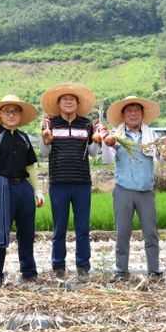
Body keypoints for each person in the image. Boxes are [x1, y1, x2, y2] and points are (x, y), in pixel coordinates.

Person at [0, 95, 45, 287]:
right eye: (7, 111)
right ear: (0, 114)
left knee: (27, 232)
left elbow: (30, 167)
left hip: (23, 188)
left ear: (20, 115)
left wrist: (38, 190)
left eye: (15, 111)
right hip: (1, 187)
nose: (11, 115)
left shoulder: (24, 137)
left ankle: (29, 272)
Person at [40, 83, 99, 281]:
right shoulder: (51, 124)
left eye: (72, 99)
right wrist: (45, 136)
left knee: (83, 227)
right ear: (58, 103)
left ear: (77, 103)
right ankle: (58, 266)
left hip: (82, 182)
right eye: (64, 99)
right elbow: (44, 153)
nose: (68, 101)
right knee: (59, 228)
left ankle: (83, 266)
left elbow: (93, 153)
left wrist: (97, 137)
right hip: (58, 182)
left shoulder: (86, 125)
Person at [100, 96, 161, 281]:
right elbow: (108, 159)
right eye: (129, 111)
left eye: (136, 110)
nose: (133, 114)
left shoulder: (151, 137)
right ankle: (121, 271)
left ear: (142, 114)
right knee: (122, 233)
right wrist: (107, 143)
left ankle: (154, 270)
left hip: (146, 191)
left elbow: (163, 158)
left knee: (151, 233)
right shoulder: (116, 136)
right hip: (123, 190)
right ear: (123, 115)